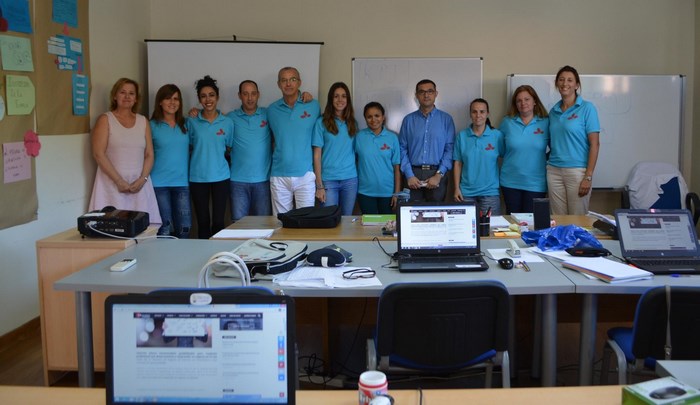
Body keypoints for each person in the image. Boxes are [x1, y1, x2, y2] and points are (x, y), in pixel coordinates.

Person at [88, 78, 161, 224]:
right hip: (111, 186)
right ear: (115, 96)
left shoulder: (143, 121)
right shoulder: (105, 119)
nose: (127, 97)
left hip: (139, 186)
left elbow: (149, 154)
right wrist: (119, 181)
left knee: (144, 231)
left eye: (131, 93)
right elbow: (99, 154)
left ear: (136, 99)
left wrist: (143, 179)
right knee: (111, 230)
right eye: (122, 92)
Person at [266, 66, 321, 215]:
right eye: (284, 80)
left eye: (292, 79)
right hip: (279, 175)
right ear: (278, 84)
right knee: (281, 222)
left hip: (305, 174)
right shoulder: (271, 110)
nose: (288, 84)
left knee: (306, 221)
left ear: (299, 82)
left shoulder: (314, 106)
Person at [548, 65, 600, 215]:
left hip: (577, 172)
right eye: (562, 80)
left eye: (570, 80)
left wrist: (588, 176)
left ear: (577, 85)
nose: (565, 83)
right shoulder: (553, 111)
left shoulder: (587, 108)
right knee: (558, 221)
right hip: (554, 171)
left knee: (577, 221)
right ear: (557, 83)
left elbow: (595, 144)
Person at [187, 75, 233, 239]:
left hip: (221, 177)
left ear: (217, 97)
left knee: (219, 222)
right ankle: (204, 258)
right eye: (203, 96)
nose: (208, 99)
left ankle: (219, 259)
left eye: (211, 95)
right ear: (199, 99)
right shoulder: (191, 121)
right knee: (203, 221)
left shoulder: (227, 122)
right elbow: (189, 146)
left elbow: (228, 148)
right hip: (198, 177)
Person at [399, 79, 455, 202]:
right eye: (422, 92)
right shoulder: (408, 120)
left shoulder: (446, 120)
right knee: (411, 216)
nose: (426, 95)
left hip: (437, 174)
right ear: (416, 95)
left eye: (430, 91)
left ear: (436, 94)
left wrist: (439, 175)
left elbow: (449, 150)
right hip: (412, 175)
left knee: (436, 216)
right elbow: (402, 149)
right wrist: (409, 175)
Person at [499, 85, 550, 214]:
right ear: (515, 104)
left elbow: (556, 149)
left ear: (534, 102)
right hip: (510, 181)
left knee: (532, 224)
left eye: (527, 99)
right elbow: (501, 150)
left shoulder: (546, 122)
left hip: (536, 183)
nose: (523, 103)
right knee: (513, 225)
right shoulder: (506, 122)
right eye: (519, 100)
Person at [227, 80, 273, 221]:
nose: (250, 98)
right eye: (245, 94)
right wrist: (196, 111)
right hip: (237, 181)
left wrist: (305, 96)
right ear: (239, 95)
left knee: (264, 225)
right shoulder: (230, 118)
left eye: (253, 93)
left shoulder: (268, 114)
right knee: (238, 225)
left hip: (263, 181)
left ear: (258, 95)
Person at [149, 84, 191, 238]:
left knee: (184, 228)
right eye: (168, 98)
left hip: (181, 183)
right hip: (159, 184)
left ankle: (183, 261)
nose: (172, 102)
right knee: (164, 229)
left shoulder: (186, 124)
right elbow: (145, 153)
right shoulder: (151, 125)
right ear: (160, 102)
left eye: (176, 99)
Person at [312, 82, 358, 215]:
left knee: (347, 221)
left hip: (350, 180)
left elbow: (355, 153)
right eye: (336, 96)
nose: (340, 100)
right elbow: (317, 155)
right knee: (329, 221)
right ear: (331, 99)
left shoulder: (352, 123)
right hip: (328, 181)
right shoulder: (321, 122)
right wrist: (319, 185)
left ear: (348, 100)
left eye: (344, 96)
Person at [453, 98, 504, 215]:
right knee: (465, 230)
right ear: (470, 114)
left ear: (487, 114)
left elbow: (506, 157)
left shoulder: (497, 135)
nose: (478, 115)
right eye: (474, 112)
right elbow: (458, 163)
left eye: (482, 112)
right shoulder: (462, 136)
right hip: (466, 193)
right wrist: (456, 188)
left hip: (490, 193)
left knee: (490, 230)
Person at [354, 102, 401, 214]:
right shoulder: (359, 137)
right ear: (365, 118)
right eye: (369, 116)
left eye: (377, 115)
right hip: (365, 192)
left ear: (383, 117)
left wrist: (396, 193)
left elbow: (397, 168)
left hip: (387, 192)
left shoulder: (392, 138)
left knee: (387, 227)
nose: (373, 119)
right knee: (368, 228)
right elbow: (353, 162)